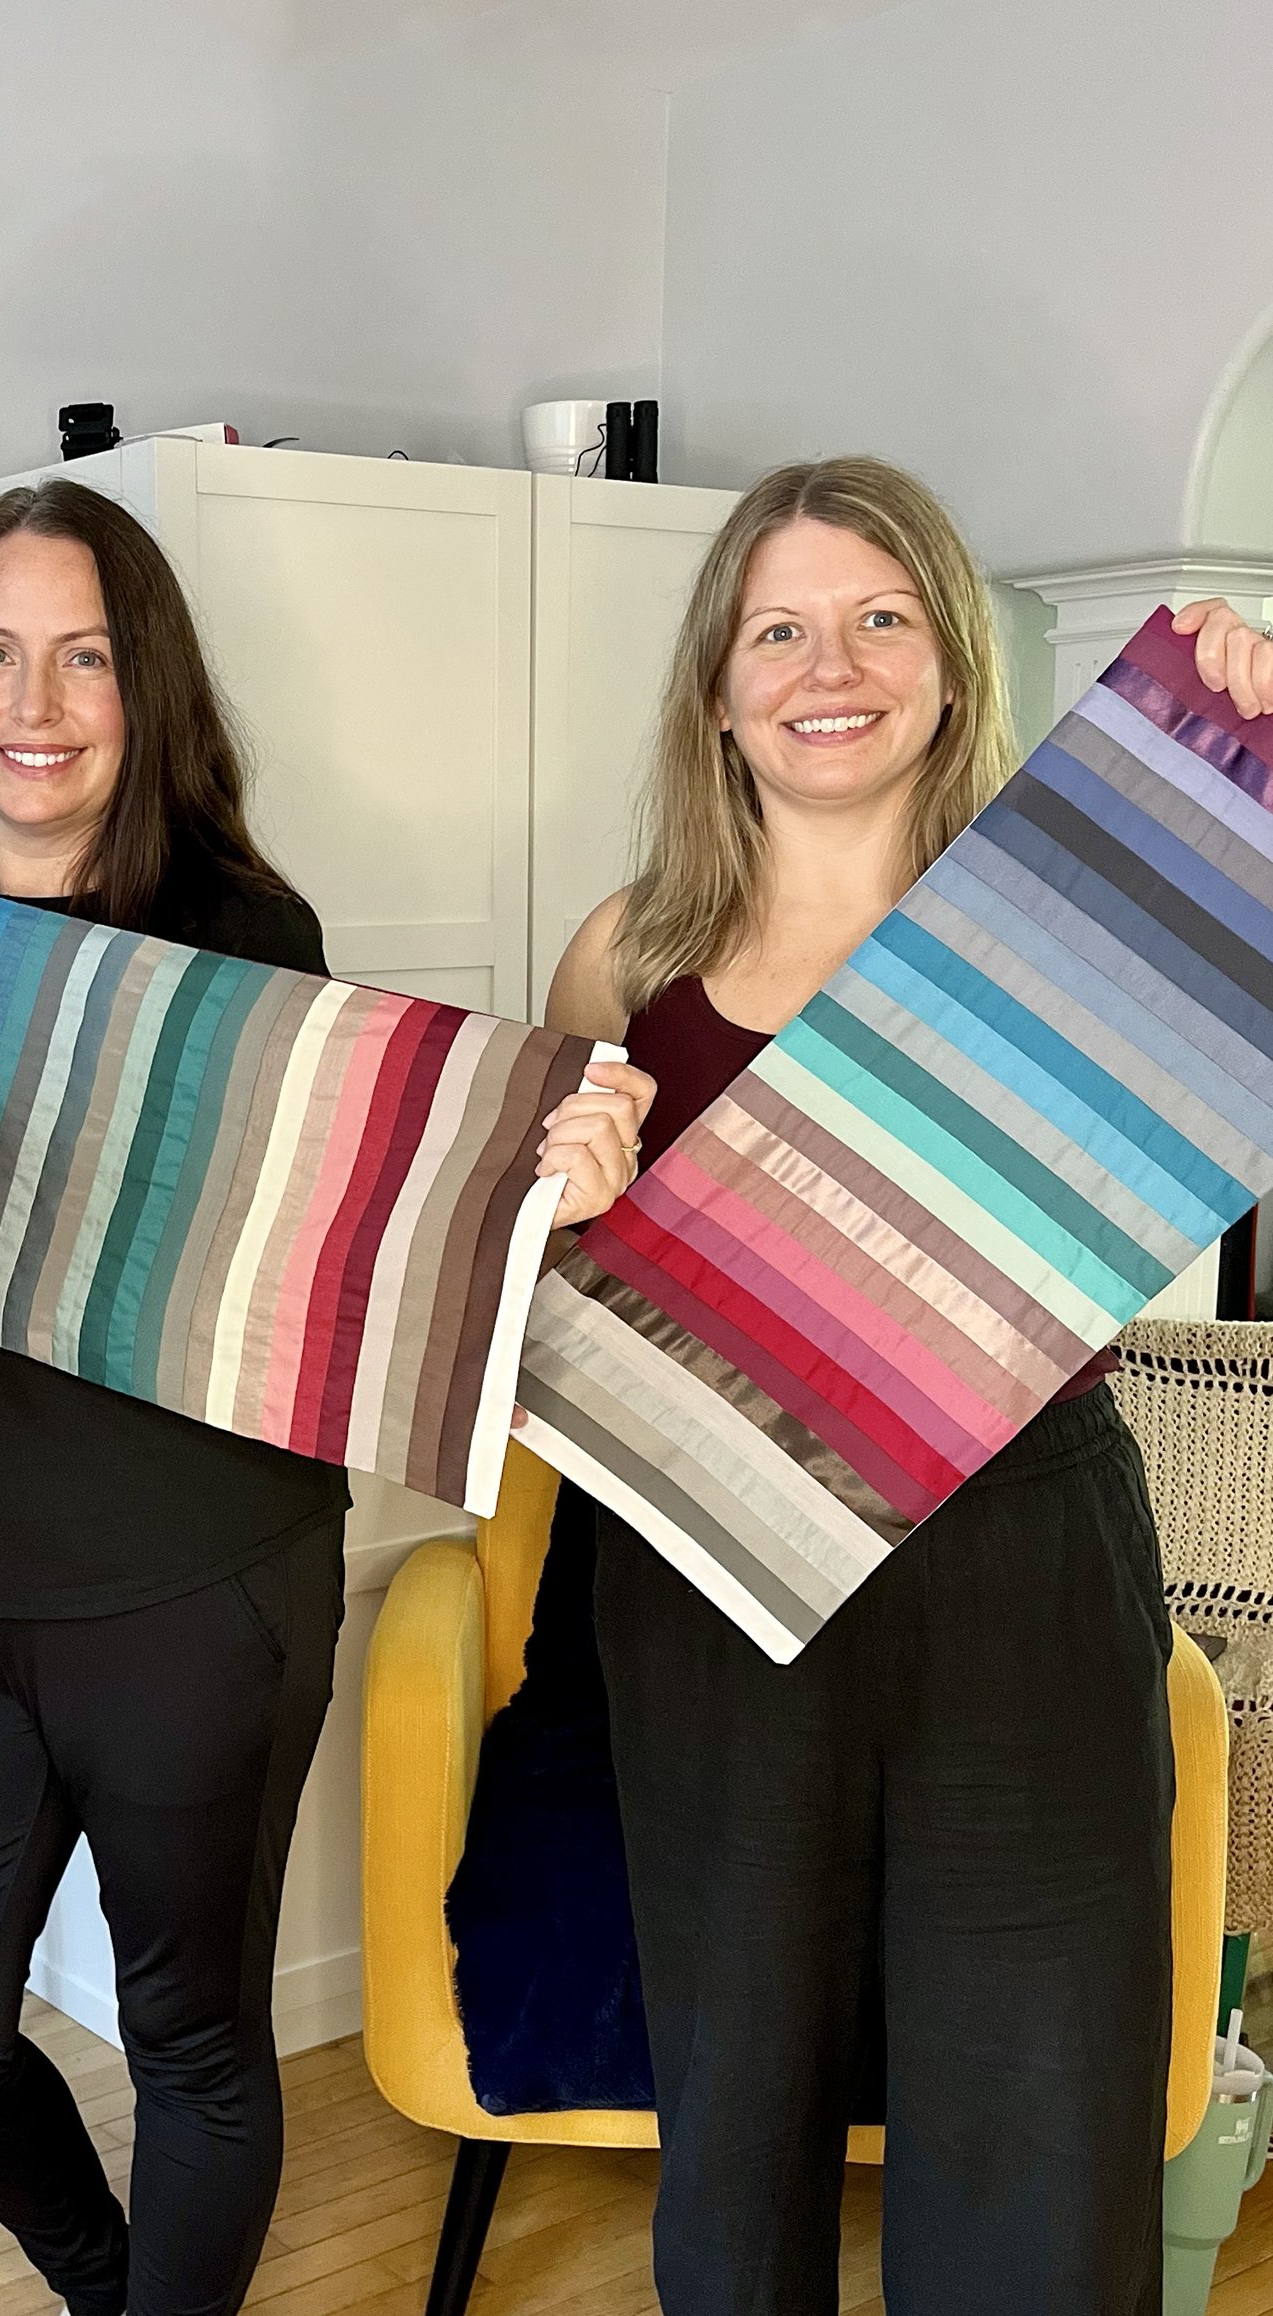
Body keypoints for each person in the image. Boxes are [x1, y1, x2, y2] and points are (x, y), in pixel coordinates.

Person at [0, 478, 651, 2316]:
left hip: (198, 1583)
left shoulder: (246, 934)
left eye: (83, 657)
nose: (35, 701)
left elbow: (366, 1208)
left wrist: (550, 1164)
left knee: (193, 2041)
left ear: (148, 695)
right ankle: (113, 2284)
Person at [544, 454, 1273, 2316]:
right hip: (713, 1564)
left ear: (952, 665)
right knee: (738, 2108)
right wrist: (570, 1203)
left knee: (1042, 2110)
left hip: (1024, 1562)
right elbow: (528, 1295)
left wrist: (1252, 756)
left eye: (880, 618)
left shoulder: (1081, 933)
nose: (827, 664)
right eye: (776, 628)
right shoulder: (626, 957)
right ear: (717, 687)